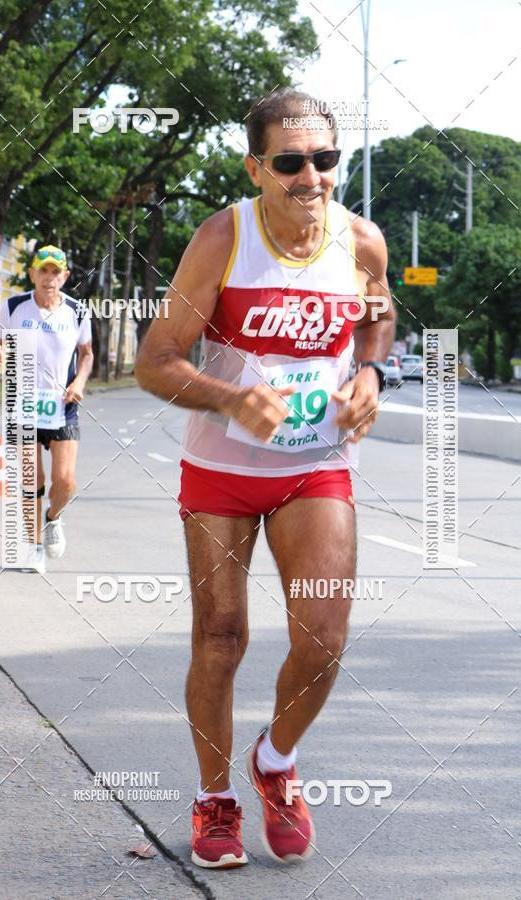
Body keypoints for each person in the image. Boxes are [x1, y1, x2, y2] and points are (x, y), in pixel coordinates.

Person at [135, 88, 395, 869]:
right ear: (256, 167)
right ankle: (216, 798)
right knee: (221, 637)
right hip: (221, 469)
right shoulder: (223, 239)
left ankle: (275, 763)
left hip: (316, 465)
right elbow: (155, 361)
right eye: (290, 162)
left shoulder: (363, 241)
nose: (310, 176)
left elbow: (379, 314)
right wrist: (229, 398)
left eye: (324, 159)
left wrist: (373, 374)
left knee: (324, 639)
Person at [0, 244, 93, 573]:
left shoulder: (77, 311)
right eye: (42, 271)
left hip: (63, 406)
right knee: (32, 478)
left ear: (65, 277)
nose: (49, 278)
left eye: (55, 272)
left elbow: (86, 354)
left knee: (66, 482)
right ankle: (34, 548)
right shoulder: (14, 306)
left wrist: (78, 384)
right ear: (32, 274)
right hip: (26, 404)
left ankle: (53, 518)